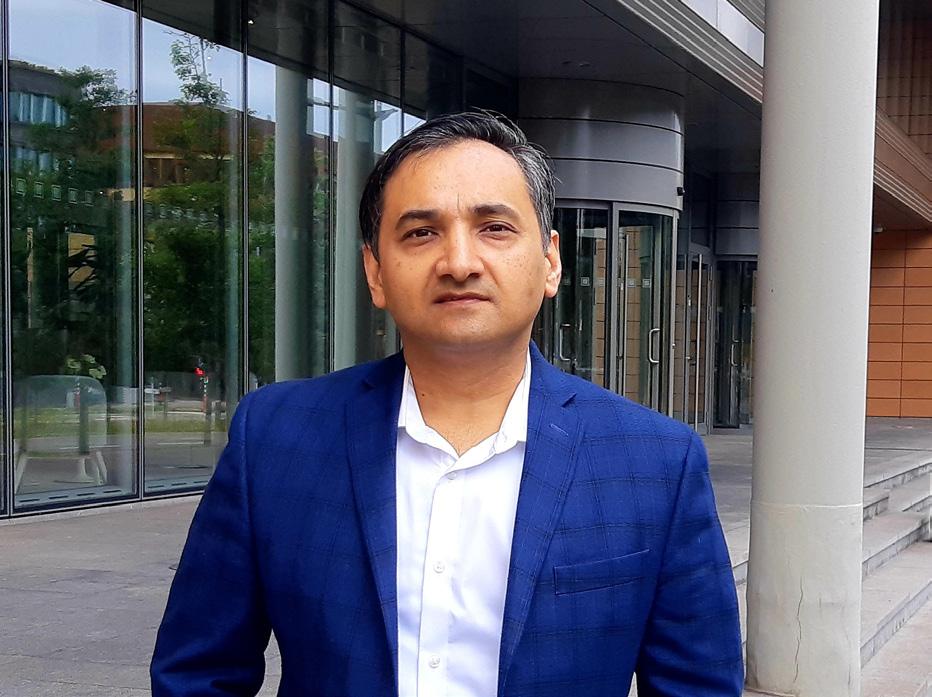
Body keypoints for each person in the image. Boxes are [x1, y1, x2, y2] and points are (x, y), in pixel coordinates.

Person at [151, 112, 743, 696]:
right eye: (421, 233)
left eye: (495, 228)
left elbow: (699, 689)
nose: (459, 262)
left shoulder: (656, 462)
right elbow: (198, 673)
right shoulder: (276, 437)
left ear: (550, 262)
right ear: (375, 271)